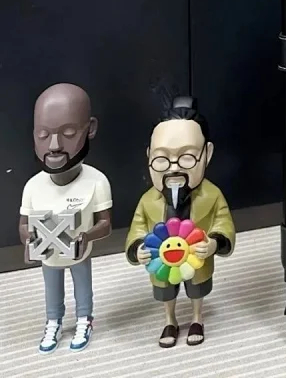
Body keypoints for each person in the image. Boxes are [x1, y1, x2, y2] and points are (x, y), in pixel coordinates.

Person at [125, 96, 235, 348]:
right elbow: (138, 227)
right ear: (148, 156)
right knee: (165, 290)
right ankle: (169, 320)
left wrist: (214, 243)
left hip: (197, 257)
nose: (173, 168)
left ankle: (197, 317)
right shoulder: (148, 200)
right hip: (162, 261)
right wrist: (138, 247)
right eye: (161, 159)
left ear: (206, 154)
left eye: (187, 157)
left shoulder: (212, 195)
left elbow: (223, 222)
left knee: (197, 287)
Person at [19, 83, 113, 354]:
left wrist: (87, 236)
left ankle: (84, 319)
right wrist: (29, 239)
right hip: (49, 255)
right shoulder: (33, 186)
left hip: (78, 253)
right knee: (52, 288)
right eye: (43, 134)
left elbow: (105, 224)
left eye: (69, 133)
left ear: (90, 128)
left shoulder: (97, 181)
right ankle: (53, 321)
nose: (54, 146)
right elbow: (24, 223)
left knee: (82, 284)